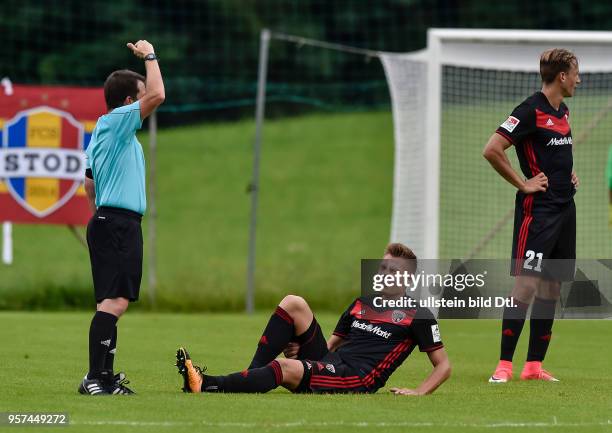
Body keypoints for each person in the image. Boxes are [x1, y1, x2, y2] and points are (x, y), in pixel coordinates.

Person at [175, 243, 451, 395]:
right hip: (334, 364)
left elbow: (443, 367)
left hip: (356, 378)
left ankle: (207, 383)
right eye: (382, 267)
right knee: (294, 302)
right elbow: (329, 347)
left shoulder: (419, 316)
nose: (384, 273)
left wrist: (418, 392)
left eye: (393, 269)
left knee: (285, 368)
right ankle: (252, 376)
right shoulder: (361, 304)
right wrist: (301, 352)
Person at [482, 49, 580, 383]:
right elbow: (492, 149)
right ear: (563, 76)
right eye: (576, 73)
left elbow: (556, 153)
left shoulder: (563, 110)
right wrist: (523, 184)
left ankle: (533, 366)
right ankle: (504, 365)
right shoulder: (528, 110)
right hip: (538, 213)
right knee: (525, 287)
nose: (579, 80)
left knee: (551, 287)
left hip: (566, 210)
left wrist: (570, 173)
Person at [78, 40, 165, 395]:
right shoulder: (116, 121)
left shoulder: (108, 132)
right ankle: (94, 378)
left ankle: (104, 377)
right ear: (129, 102)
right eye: (139, 96)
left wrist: (102, 215)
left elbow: (88, 184)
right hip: (117, 223)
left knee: (111, 303)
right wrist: (149, 55)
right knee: (115, 303)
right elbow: (158, 94)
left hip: (109, 220)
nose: (145, 101)